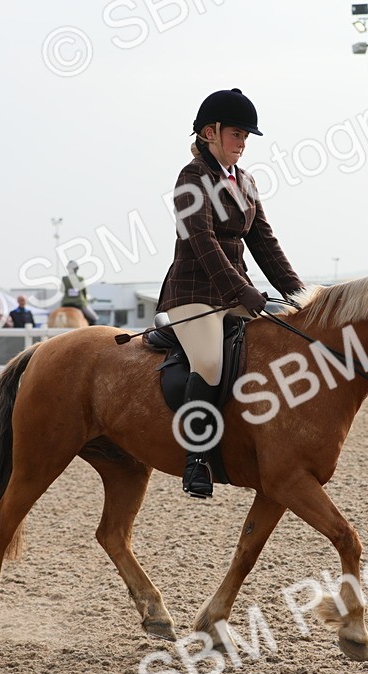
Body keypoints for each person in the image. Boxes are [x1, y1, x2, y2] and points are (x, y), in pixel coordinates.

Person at [157, 88, 305, 499]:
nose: (243, 143)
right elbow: (202, 241)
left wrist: (301, 294)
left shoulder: (246, 181)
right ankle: (197, 459)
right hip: (193, 292)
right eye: (237, 134)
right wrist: (243, 290)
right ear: (210, 132)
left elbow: (265, 244)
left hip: (233, 292)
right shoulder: (191, 177)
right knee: (208, 362)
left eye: (246, 137)